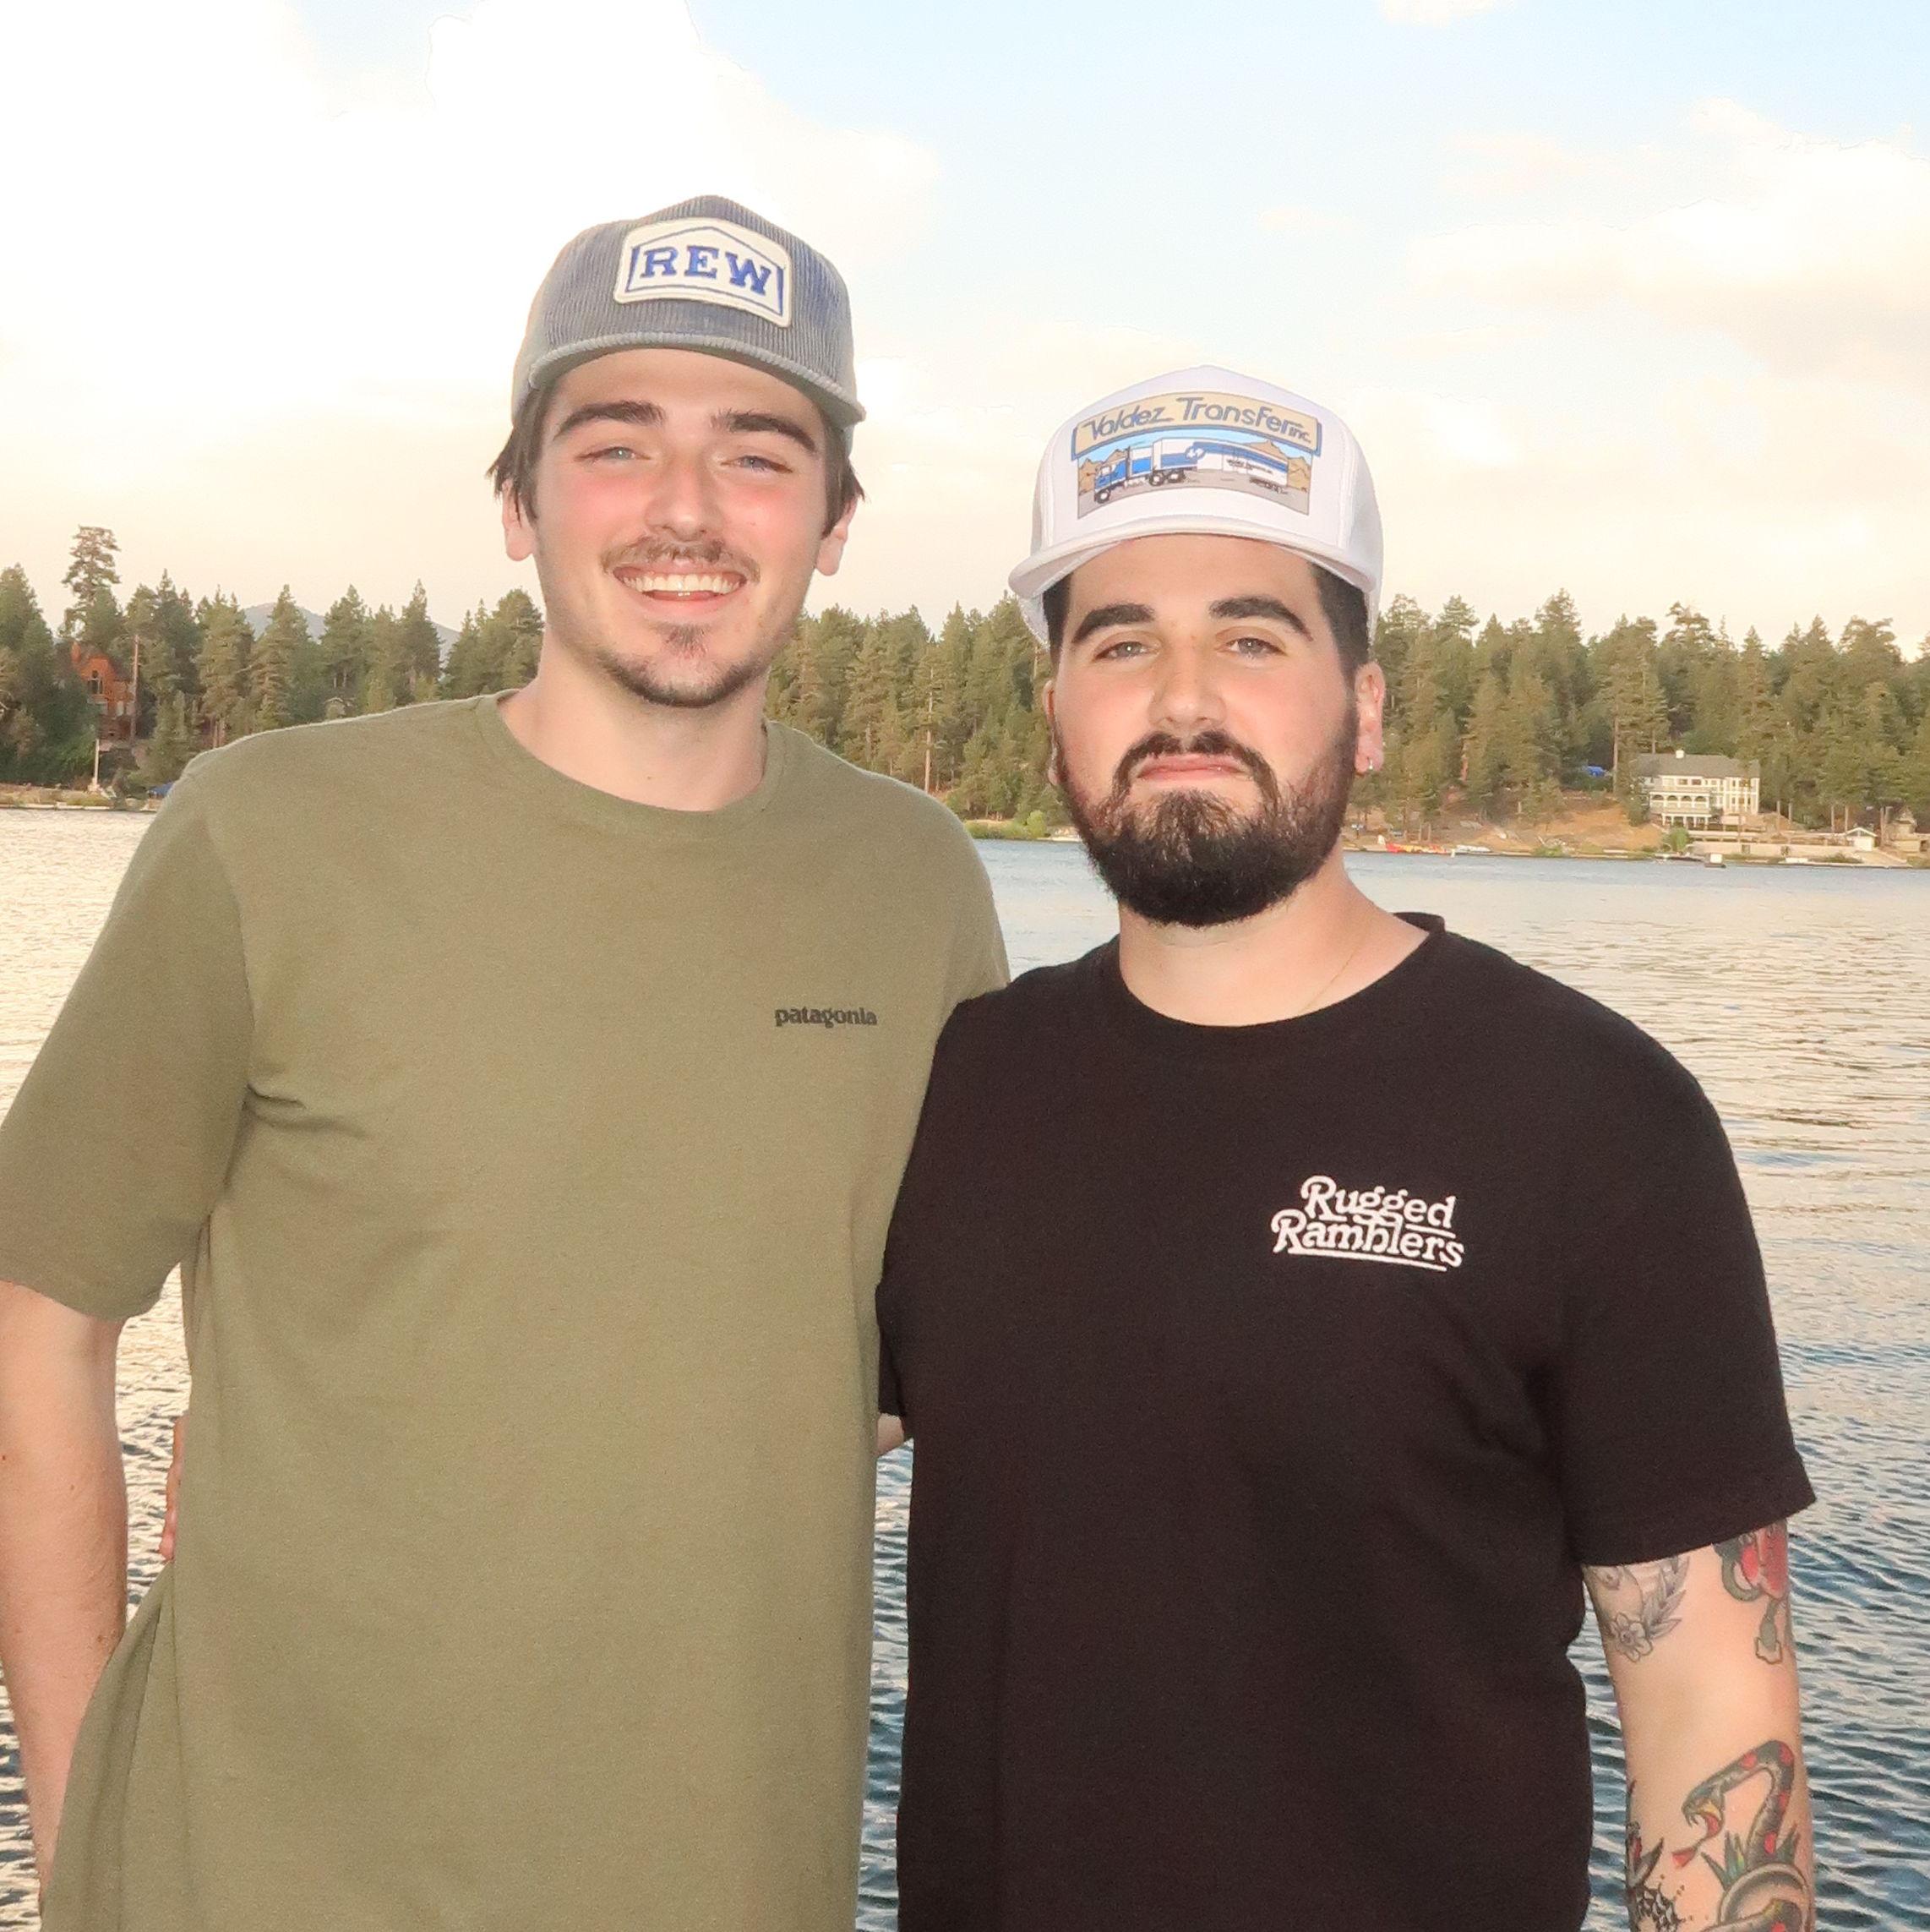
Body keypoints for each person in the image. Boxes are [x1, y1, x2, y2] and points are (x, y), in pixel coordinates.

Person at [0, 194, 1005, 1932]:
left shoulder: (912, 886)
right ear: (519, 499)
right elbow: (40, 1314)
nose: (685, 508)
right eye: (614, 444)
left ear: (836, 521)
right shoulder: (265, 834)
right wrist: (88, 1831)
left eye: (756, 453)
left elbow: (912, 1359)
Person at [876, 366, 1815, 1932]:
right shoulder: (961, 1085)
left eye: (1253, 637)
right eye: (1121, 642)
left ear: (1366, 710)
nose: (1183, 699)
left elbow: (1713, 1714)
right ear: (1053, 715)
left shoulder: (1595, 1120)